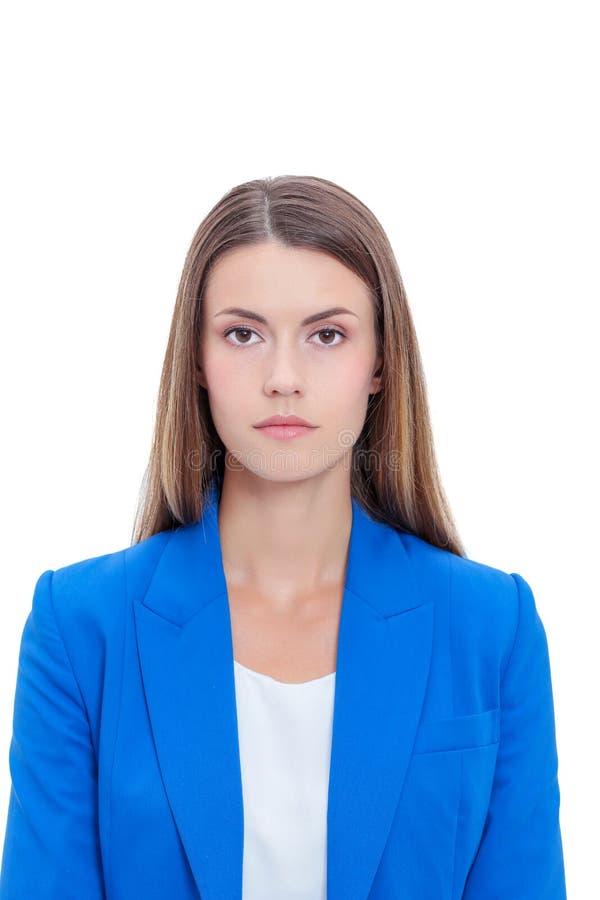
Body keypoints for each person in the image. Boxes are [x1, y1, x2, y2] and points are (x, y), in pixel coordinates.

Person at [0, 175, 567, 899]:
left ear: (380, 364)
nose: (284, 377)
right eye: (243, 333)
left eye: (327, 335)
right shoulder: (80, 628)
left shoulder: (493, 626)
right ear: (198, 362)